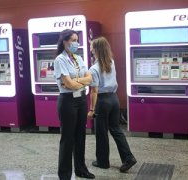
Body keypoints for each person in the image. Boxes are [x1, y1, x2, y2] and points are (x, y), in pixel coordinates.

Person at [87, 37, 137, 173]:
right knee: (116, 129)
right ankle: (128, 158)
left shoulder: (93, 68)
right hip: (114, 99)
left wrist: (92, 109)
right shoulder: (111, 62)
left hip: (102, 101)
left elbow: (94, 90)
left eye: (92, 47)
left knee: (101, 132)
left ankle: (102, 162)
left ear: (96, 49)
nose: (90, 49)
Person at [54, 29, 95, 180]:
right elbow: (68, 84)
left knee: (80, 136)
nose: (76, 43)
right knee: (67, 138)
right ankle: (64, 174)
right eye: (73, 40)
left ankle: (81, 169)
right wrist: (78, 82)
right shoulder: (60, 60)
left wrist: (75, 82)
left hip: (82, 100)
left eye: (77, 40)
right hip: (68, 102)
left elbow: (89, 78)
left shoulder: (78, 58)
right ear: (65, 42)